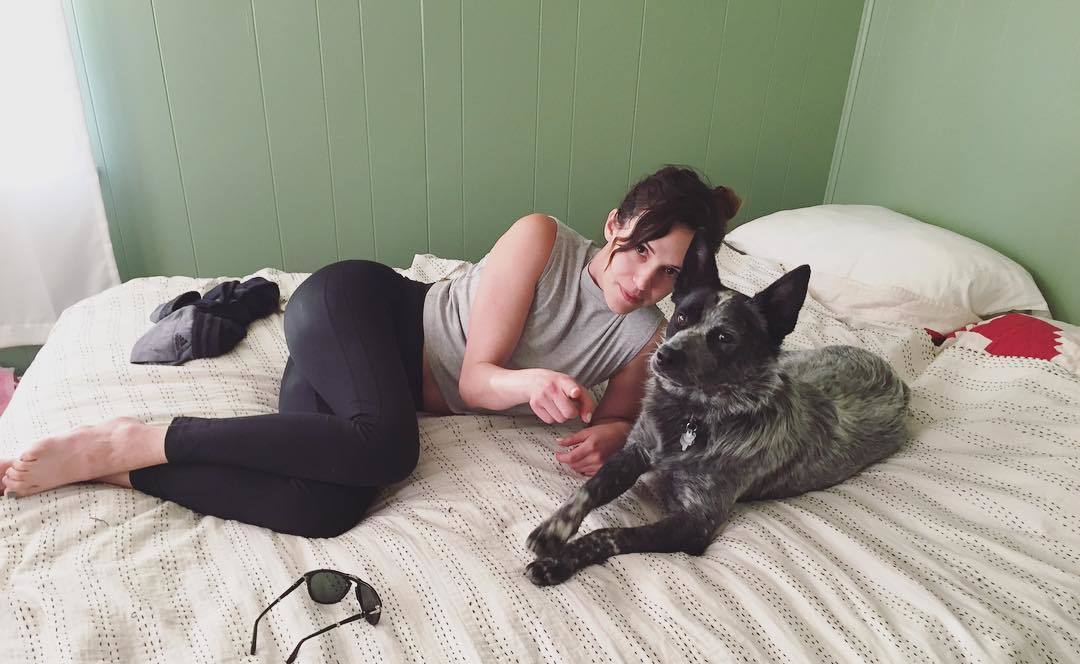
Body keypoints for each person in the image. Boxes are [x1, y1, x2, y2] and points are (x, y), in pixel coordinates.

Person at [1, 165, 740, 537]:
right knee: (389, 448)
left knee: (328, 507)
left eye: (669, 272)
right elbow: (478, 380)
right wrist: (530, 385)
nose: (643, 280)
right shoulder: (541, 238)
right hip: (359, 310)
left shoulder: (647, 338)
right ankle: (144, 436)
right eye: (639, 249)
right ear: (613, 225)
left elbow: (615, 428)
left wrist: (608, 434)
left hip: (359, 383)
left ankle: (129, 470)